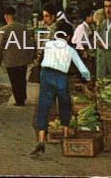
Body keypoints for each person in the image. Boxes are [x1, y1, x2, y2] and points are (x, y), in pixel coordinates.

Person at [30, 22, 91, 156]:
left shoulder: (48, 45)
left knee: (43, 107)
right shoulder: (70, 50)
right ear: (68, 36)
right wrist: (87, 78)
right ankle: (65, 136)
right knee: (64, 105)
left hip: (46, 75)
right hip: (61, 77)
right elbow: (82, 68)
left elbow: (41, 58)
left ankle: (41, 141)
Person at [0, 6, 35, 107]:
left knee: (14, 80)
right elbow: (29, 43)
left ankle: (19, 100)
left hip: (10, 60)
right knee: (22, 79)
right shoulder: (23, 27)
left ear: (6, 16)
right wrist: (31, 56)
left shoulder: (4, 29)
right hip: (23, 58)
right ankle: (22, 97)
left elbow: (1, 47)